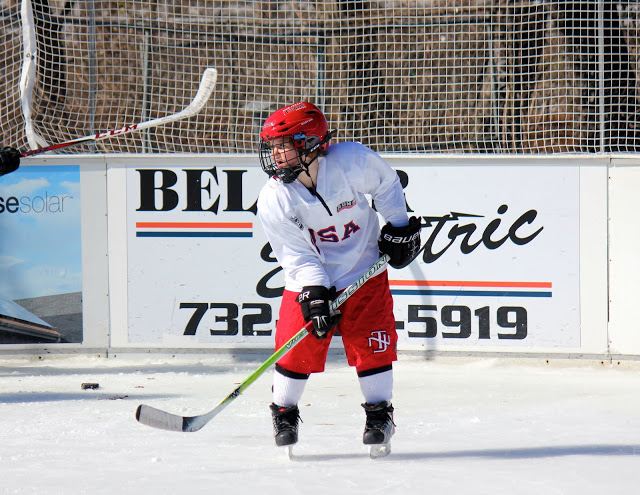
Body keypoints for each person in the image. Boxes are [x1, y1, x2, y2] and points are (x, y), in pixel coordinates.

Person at [256, 101, 421, 454]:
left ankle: (379, 415)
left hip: (363, 268)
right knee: (296, 345)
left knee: (372, 342)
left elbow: (386, 184)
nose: (276, 155)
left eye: (283, 146)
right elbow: (296, 254)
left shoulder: (351, 161)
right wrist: (314, 291)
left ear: (309, 144)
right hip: (308, 277)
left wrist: (399, 225)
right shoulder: (273, 197)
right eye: (272, 147)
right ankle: (284, 413)